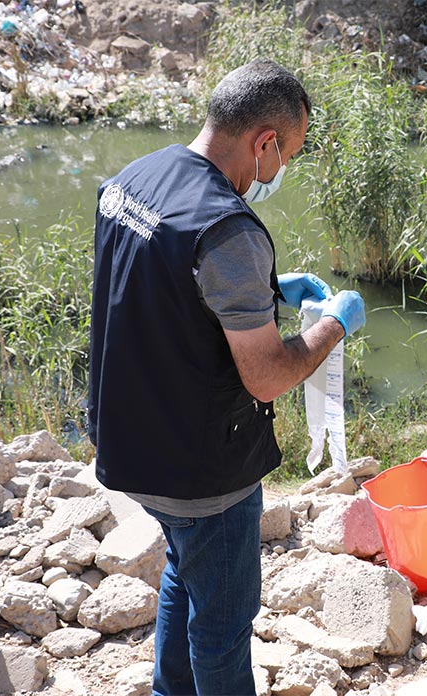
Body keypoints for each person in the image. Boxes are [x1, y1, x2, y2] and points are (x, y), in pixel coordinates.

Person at [88, 59, 366, 696]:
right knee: (222, 623)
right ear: (264, 141)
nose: (281, 169)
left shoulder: (135, 177)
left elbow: (169, 292)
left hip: (129, 442)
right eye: (287, 153)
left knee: (186, 573)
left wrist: (265, 291)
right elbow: (268, 377)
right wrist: (334, 326)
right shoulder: (229, 230)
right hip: (200, 471)